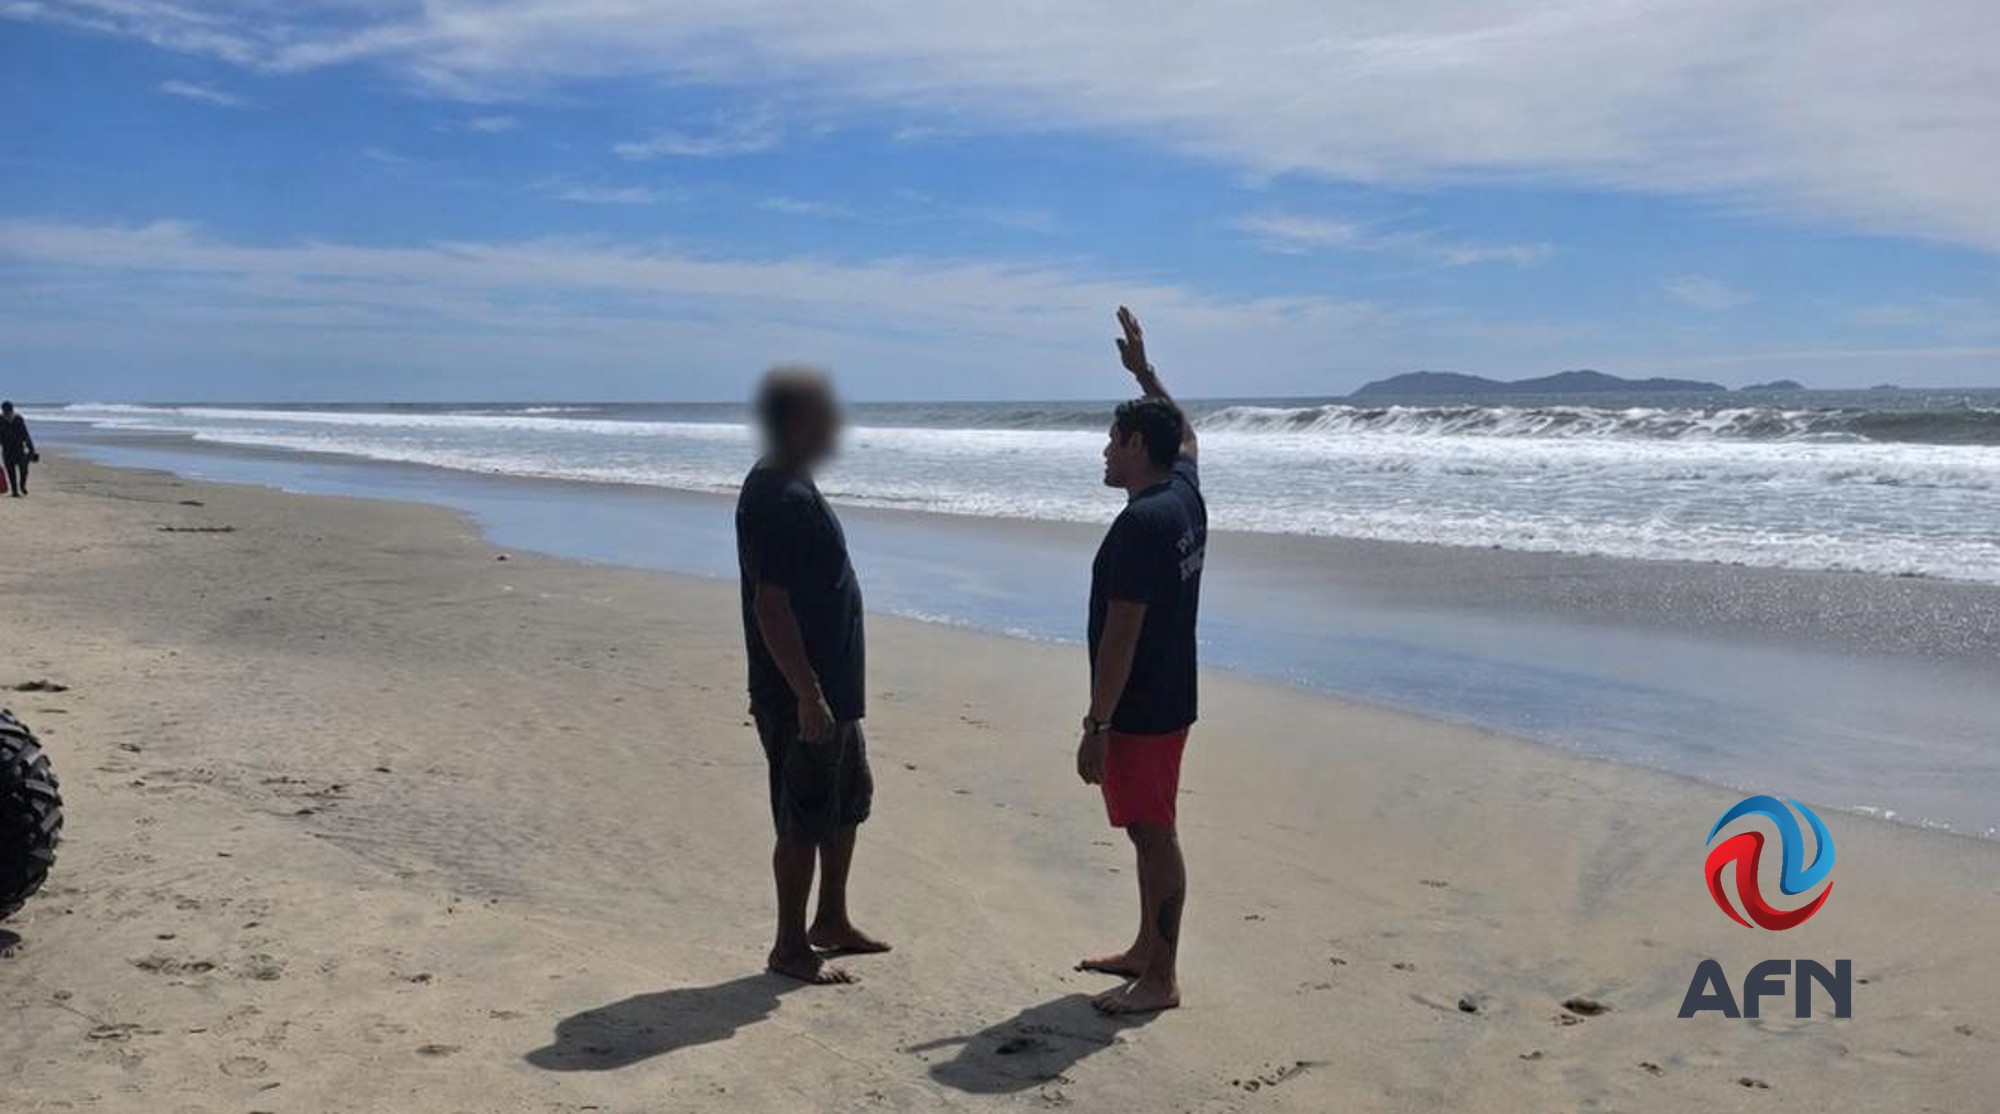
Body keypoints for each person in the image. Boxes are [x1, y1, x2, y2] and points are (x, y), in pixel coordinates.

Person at [735, 366, 889, 985]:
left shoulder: (791, 483)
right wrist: (807, 693)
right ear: (798, 421)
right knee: (801, 818)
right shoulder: (779, 496)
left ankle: (831, 919)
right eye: (825, 413)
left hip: (832, 689)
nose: (835, 424)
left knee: (847, 804)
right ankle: (789, 945)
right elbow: (770, 606)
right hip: (802, 693)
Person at [1074, 306, 1206, 1015]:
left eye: (1110, 441)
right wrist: (1145, 373)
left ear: (1132, 445)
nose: (1103, 453)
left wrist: (1097, 726)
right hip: (1171, 696)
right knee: (1146, 830)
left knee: (1154, 835)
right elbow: (1187, 433)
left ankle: (1162, 979)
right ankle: (1145, 950)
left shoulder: (1141, 525)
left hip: (1141, 709)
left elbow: (1121, 636)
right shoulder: (1184, 496)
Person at [0, 402, 36, 498]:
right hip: (7, 450)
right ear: (3, 412)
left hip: (19, 449)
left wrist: (31, 449)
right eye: (5, 413)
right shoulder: (0, 420)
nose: (8, 416)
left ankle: (22, 485)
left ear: (12, 411)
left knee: (24, 470)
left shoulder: (18, 420)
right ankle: (15, 491)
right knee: (11, 471)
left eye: (9, 413)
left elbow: (25, 435)